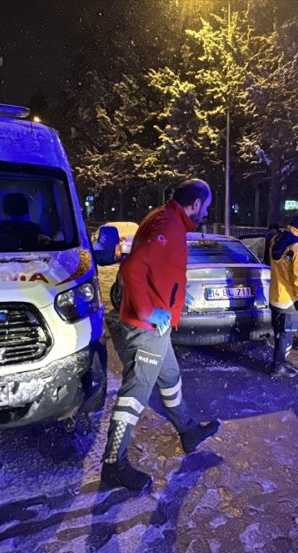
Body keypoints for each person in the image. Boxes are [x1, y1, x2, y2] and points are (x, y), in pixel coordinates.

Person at [101, 178, 221, 491]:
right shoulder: (169, 225)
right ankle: (113, 464)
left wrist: (177, 296)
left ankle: (188, 430)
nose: (206, 213)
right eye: (206, 206)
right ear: (195, 203)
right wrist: (148, 311)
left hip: (158, 328)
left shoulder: (165, 219)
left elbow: (158, 269)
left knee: (170, 378)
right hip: (148, 330)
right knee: (134, 395)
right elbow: (132, 268)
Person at [268, 211, 298, 378]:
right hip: (289, 300)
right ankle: (278, 366)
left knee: (279, 332)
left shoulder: (277, 239)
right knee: (285, 334)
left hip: (275, 295)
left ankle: (280, 361)